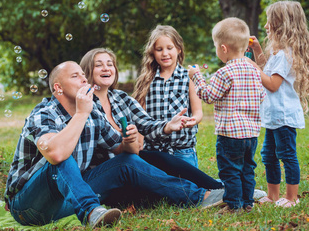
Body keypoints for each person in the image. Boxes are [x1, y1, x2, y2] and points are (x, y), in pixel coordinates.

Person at [4, 61, 224, 228]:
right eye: (75, 76)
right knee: (59, 160)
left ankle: (198, 196)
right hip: (29, 206)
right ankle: (92, 212)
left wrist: (129, 141)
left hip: (69, 199)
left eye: (83, 75)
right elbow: (56, 155)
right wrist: (81, 113)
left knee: (126, 161)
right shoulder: (44, 113)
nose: (84, 79)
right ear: (58, 89)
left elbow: (123, 150)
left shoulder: (93, 113)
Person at [80, 48, 224, 193]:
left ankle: (218, 187)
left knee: (161, 159)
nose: (106, 68)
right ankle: (199, 194)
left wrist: (168, 125)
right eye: (99, 65)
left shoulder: (120, 98)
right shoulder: (85, 104)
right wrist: (131, 140)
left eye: (110, 64)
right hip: (109, 174)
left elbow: (147, 124)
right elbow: (116, 144)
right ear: (87, 71)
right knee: (147, 174)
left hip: (131, 160)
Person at [188, 17, 266, 214]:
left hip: (230, 134)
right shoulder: (255, 71)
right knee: (247, 169)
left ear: (223, 48)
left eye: (215, 46)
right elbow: (263, 96)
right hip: (251, 133)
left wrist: (196, 77)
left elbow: (208, 95)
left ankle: (233, 205)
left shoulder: (225, 73)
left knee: (230, 170)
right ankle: (247, 203)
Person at [246, 1, 309, 208]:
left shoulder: (286, 55)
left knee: (286, 155)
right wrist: (257, 49)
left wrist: (251, 67)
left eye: (269, 22)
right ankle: (273, 195)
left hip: (283, 116)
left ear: (281, 25)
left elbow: (273, 84)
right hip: (274, 116)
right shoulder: (278, 53)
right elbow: (265, 69)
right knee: (268, 155)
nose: (266, 26)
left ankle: (292, 197)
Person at [132, 25, 203, 167]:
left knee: (190, 188)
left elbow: (198, 111)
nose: (165, 53)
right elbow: (140, 117)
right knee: (158, 188)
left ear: (178, 49)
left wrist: (193, 120)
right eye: (159, 49)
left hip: (183, 151)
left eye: (169, 48)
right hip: (154, 151)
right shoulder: (146, 80)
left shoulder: (188, 77)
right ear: (152, 52)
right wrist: (139, 142)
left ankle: (224, 187)